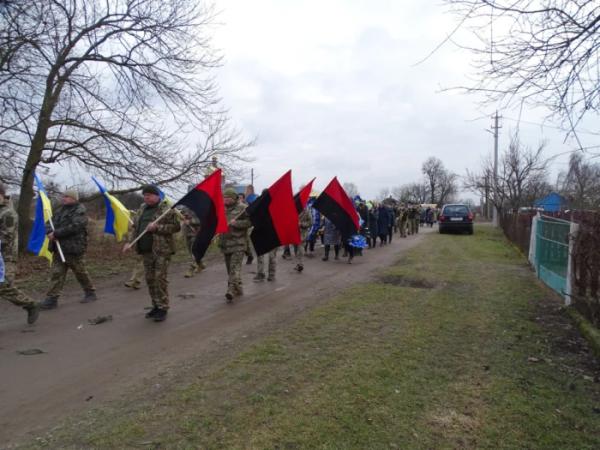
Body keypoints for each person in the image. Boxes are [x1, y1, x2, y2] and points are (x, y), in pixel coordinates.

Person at [125, 185, 180, 322]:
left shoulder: (167, 210)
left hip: (162, 250)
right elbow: (135, 228)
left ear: (157, 196)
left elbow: (176, 227)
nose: (146, 197)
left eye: (149, 195)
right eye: (145, 195)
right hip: (146, 251)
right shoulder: (142, 209)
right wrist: (129, 242)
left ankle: (163, 308)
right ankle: (155, 305)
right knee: (150, 280)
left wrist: (157, 227)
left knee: (159, 278)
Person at [40, 189, 96, 310]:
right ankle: (52, 299)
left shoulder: (80, 211)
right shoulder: (60, 211)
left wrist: (57, 234)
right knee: (57, 273)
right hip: (58, 248)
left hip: (73, 248)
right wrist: (49, 232)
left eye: (66, 196)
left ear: (74, 198)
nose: (63, 198)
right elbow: (49, 222)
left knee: (80, 271)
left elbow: (75, 226)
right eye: (63, 196)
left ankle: (90, 292)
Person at [0, 184, 40, 324]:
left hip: (6, 257)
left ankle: (30, 304)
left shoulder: (8, 214)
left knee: (4, 287)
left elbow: (7, 237)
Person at [220, 188, 251, 302]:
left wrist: (236, 223)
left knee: (234, 269)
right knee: (230, 270)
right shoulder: (222, 209)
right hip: (225, 244)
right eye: (224, 198)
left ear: (234, 198)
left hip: (238, 243)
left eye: (228, 198)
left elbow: (249, 222)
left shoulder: (243, 208)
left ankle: (230, 290)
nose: (226, 200)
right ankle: (238, 288)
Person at [181, 206, 206, 278]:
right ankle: (200, 264)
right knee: (190, 252)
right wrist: (182, 217)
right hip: (187, 233)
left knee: (194, 251)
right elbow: (182, 217)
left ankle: (191, 269)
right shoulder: (185, 207)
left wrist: (191, 221)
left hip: (196, 233)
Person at [294, 202, 313, 272]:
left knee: (300, 248)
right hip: (294, 232)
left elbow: (311, 222)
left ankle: (300, 264)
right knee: (296, 249)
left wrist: (301, 224)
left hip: (302, 233)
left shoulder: (306, 210)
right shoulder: (294, 209)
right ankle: (298, 263)